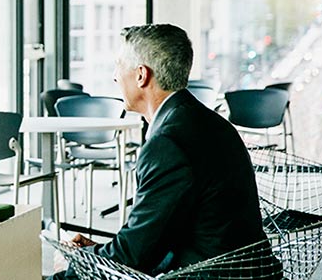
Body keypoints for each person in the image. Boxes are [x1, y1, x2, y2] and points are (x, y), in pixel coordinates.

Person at [52, 24, 278, 278]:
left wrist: (76, 266)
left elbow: (133, 257)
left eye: (118, 66)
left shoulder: (168, 143)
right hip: (238, 269)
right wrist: (99, 251)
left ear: (141, 75)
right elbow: (152, 240)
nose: (115, 77)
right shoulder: (206, 122)